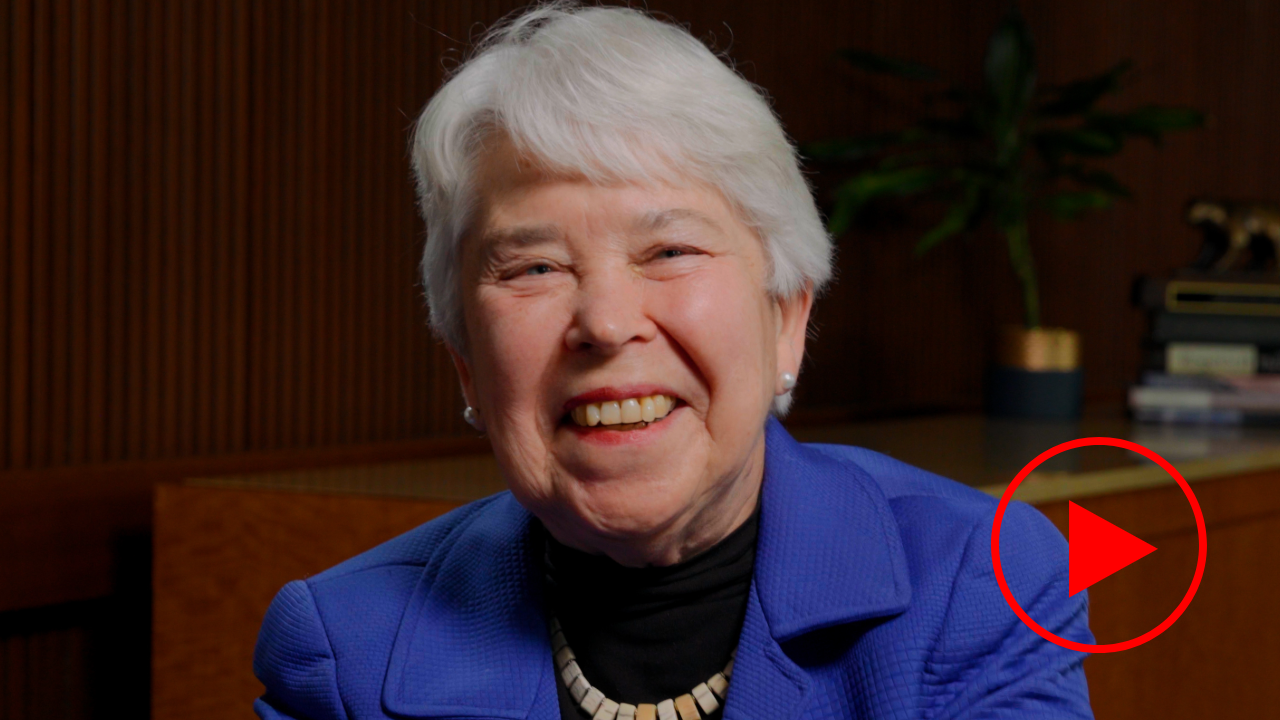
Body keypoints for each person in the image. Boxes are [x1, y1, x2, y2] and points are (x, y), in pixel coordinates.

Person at [252, 4, 1094, 719]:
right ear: (467, 365)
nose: (608, 324)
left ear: (786, 320)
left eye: (671, 249)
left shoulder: (977, 584)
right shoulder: (343, 650)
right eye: (536, 268)